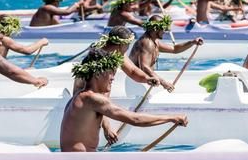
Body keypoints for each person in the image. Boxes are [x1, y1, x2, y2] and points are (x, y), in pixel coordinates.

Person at [59, 49, 189, 152]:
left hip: (80, 159)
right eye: (110, 72)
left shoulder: (77, 98)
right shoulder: (92, 98)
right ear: (98, 74)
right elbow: (135, 119)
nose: (112, 77)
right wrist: (172, 118)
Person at [130, 14, 203, 91]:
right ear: (155, 29)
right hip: (137, 85)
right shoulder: (147, 43)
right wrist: (163, 83)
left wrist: (192, 42)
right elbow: (145, 67)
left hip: (144, 82)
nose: (164, 31)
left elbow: (174, 49)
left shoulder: (154, 41)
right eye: (163, 29)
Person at [88, 26, 161, 91]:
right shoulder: (97, 57)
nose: (128, 47)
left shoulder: (117, 53)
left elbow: (132, 71)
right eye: (128, 44)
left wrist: (147, 79)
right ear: (122, 45)